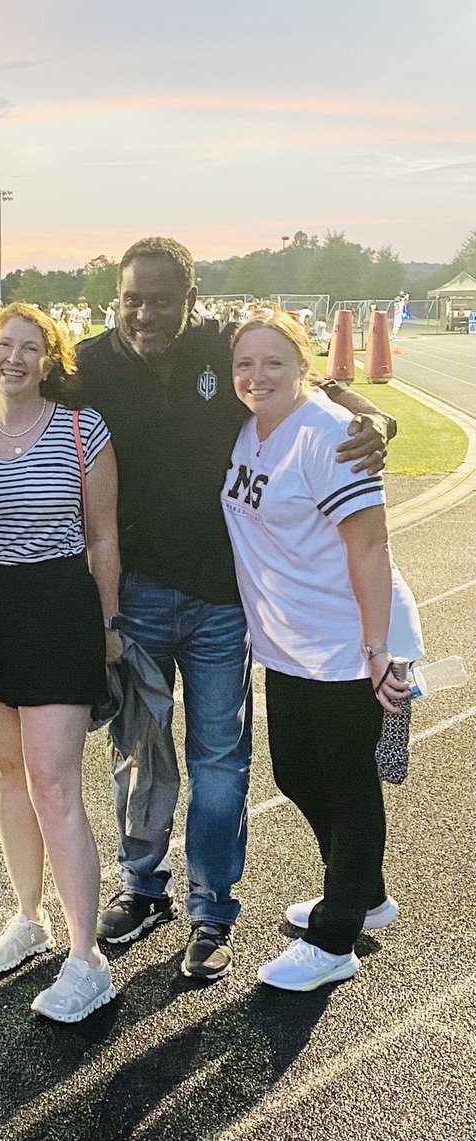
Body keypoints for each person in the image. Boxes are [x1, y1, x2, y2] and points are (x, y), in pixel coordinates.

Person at [76, 236, 393, 982]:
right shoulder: (91, 364)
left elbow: (305, 382)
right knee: (140, 754)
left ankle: (212, 908)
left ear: (191, 298)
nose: (144, 313)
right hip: (140, 591)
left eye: (160, 298)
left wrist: (371, 414)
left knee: (220, 759)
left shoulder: (224, 348)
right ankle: (144, 886)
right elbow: (8, 393)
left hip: (225, 599)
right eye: (131, 298)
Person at [221, 313, 422, 990]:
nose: (256, 375)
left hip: (344, 645)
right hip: (289, 646)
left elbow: (370, 544)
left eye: (273, 361)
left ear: (303, 363)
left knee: (348, 783)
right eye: (244, 363)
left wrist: (378, 646)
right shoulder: (253, 428)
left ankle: (336, 937)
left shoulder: (327, 435)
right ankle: (362, 891)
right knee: (297, 777)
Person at [0, 302, 121, 1023]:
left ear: (50, 360)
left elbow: (102, 536)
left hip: (59, 608)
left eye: (30, 348)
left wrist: (108, 622)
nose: (15, 358)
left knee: (53, 779)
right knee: (9, 772)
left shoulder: (82, 428)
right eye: (4, 345)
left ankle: (88, 958)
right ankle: (28, 916)